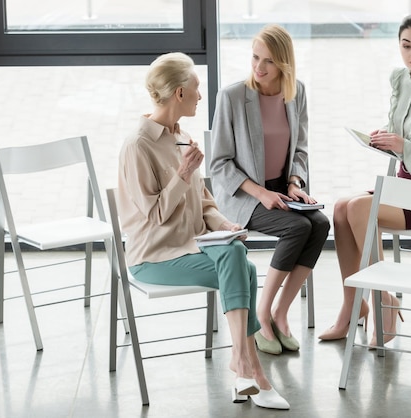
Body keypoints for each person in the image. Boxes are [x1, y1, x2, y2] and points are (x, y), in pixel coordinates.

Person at [117, 52, 289, 410]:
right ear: (179, 93)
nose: (199, 95)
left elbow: (205, 200)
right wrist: (182, 175)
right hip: (154, 257)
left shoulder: (182, 137)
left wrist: (225, 225)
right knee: (243, 265)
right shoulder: (137, 146)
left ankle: (244, 366)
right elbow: (153, 217)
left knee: (235, 252)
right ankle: (250, 367)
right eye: (196, 88)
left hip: (192, 245)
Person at [319, 13, 411, 346]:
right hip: (404, 189)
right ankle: (353, 306)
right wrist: (386, 139)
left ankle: (384, 299)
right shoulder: (401, 81)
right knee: (342, 208)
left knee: (360, 209)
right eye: (406, 45)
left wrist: (408, 146)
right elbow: (404, 141)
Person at [210, 24, 330, 355]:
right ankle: (261, 313)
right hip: (244, 196)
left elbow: (301, 150)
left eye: (268, 61)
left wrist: (295, 182)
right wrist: (260, 193)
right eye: (254, 57)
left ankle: (280, 312)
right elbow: (218, 163)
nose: (259, 67)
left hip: (281, 189)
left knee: (320, 224)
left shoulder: (297, 93)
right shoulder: (232, 97)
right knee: (297, 227)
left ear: (284, 65)